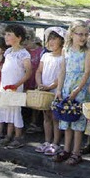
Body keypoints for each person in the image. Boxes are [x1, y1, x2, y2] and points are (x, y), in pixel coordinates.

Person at [53, 20, 90, 166]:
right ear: (72, 34)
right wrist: (59, 89)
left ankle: (76, 152)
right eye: (79, 34)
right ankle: (66, 149)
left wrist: (77, 90)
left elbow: (87, 71)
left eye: (85, 34)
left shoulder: (87, 50)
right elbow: (63, 70)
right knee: (66, 119)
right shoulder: (66, 49)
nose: (82, 37)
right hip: (67, 87)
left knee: (77, 121)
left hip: (80, 88)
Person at [0, 24, 31, 150]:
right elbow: (5, 70)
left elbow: (28, 72)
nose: (6, 37)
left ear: (19, 38)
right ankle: (8, 136)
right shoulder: (8, 52)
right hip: (5, 86)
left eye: (9, 34)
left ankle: (18, 137)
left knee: (15, 111)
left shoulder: (23, 54)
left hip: (15, 88)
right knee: (6, 110)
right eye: (6, 34)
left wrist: (16, 85)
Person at [33, 27, 66, 155]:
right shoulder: (45, 56)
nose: (51, 42)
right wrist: (40, 84)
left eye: (54, 39)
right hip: (45, 91)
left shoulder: (63, 57)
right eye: (49, 39)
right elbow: (39, 71)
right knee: (46, 116)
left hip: (55, 91)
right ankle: (47, 141)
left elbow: (61, 75)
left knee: (55, 117)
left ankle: (56, 143)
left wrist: (51, 86)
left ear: (61, 41)